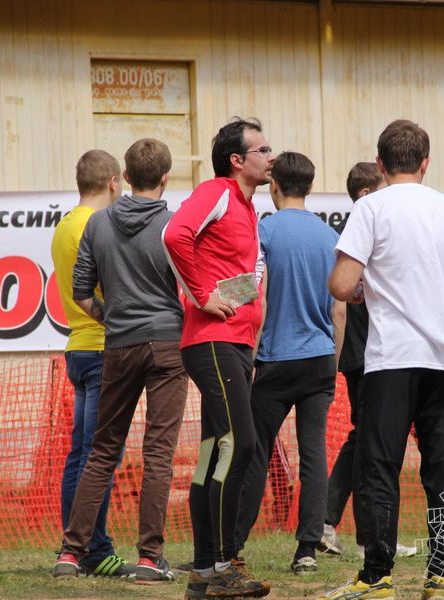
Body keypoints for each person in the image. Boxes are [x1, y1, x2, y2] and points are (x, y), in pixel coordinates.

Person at [321, 120, 444, 600]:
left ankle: (377, 576)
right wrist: (435, 293)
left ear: (379, 164)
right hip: (443, 359)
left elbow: (340, 285)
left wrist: (367, 289)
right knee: (443, 468)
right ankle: (441, 575)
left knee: (379, 466)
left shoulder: (371, 207)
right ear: (425, 162)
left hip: (390, 358)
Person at [53, 139, 189, 584]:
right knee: (158, 453)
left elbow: (79, 294)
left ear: (125, 176)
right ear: (166, 177)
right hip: (167, 344)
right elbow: (191, 290)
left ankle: (71, 553)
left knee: (102, 451)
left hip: (117, 344)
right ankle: (150, 558)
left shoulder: (97, 225)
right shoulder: (175, 225)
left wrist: (112, 318)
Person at [163, 118, 274, 599]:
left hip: (233, 344)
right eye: (263, 149)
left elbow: (243, 279)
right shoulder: (217, 190)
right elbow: (173, 236)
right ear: (237, 159)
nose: (272, 157)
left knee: (212, 453)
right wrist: (204, 294)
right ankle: (226, 564)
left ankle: (205, 572)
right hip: (212, 341)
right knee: (241, 445)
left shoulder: (248, 207)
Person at [234, 151, 342, 575]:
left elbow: (254, 296)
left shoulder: (264, 231)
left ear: (273, 185)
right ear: (310, 187)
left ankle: (234, 543)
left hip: (275, 359)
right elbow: (339, 311)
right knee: (314, 455)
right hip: (318, 359)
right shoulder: (329, 237)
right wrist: (331, 363)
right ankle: (307, 551)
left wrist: (248, 358)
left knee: (255, 453)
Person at [319, 162, 412, 560]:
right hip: (368, 356)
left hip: (369, 354)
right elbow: (341, 305)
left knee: (365, 439)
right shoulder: (364, 232)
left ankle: (348, 530)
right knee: (369, 441)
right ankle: (342, 527)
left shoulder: (365, 230)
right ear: (368, 194)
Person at [49, 149, 133, 578]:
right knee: (101, 456)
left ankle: (73, 543)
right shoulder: (99, 226)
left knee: (81, 454)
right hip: (103, 346)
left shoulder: (64, 225)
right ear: (114, 181)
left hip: (78, 345)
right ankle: (94, 549)